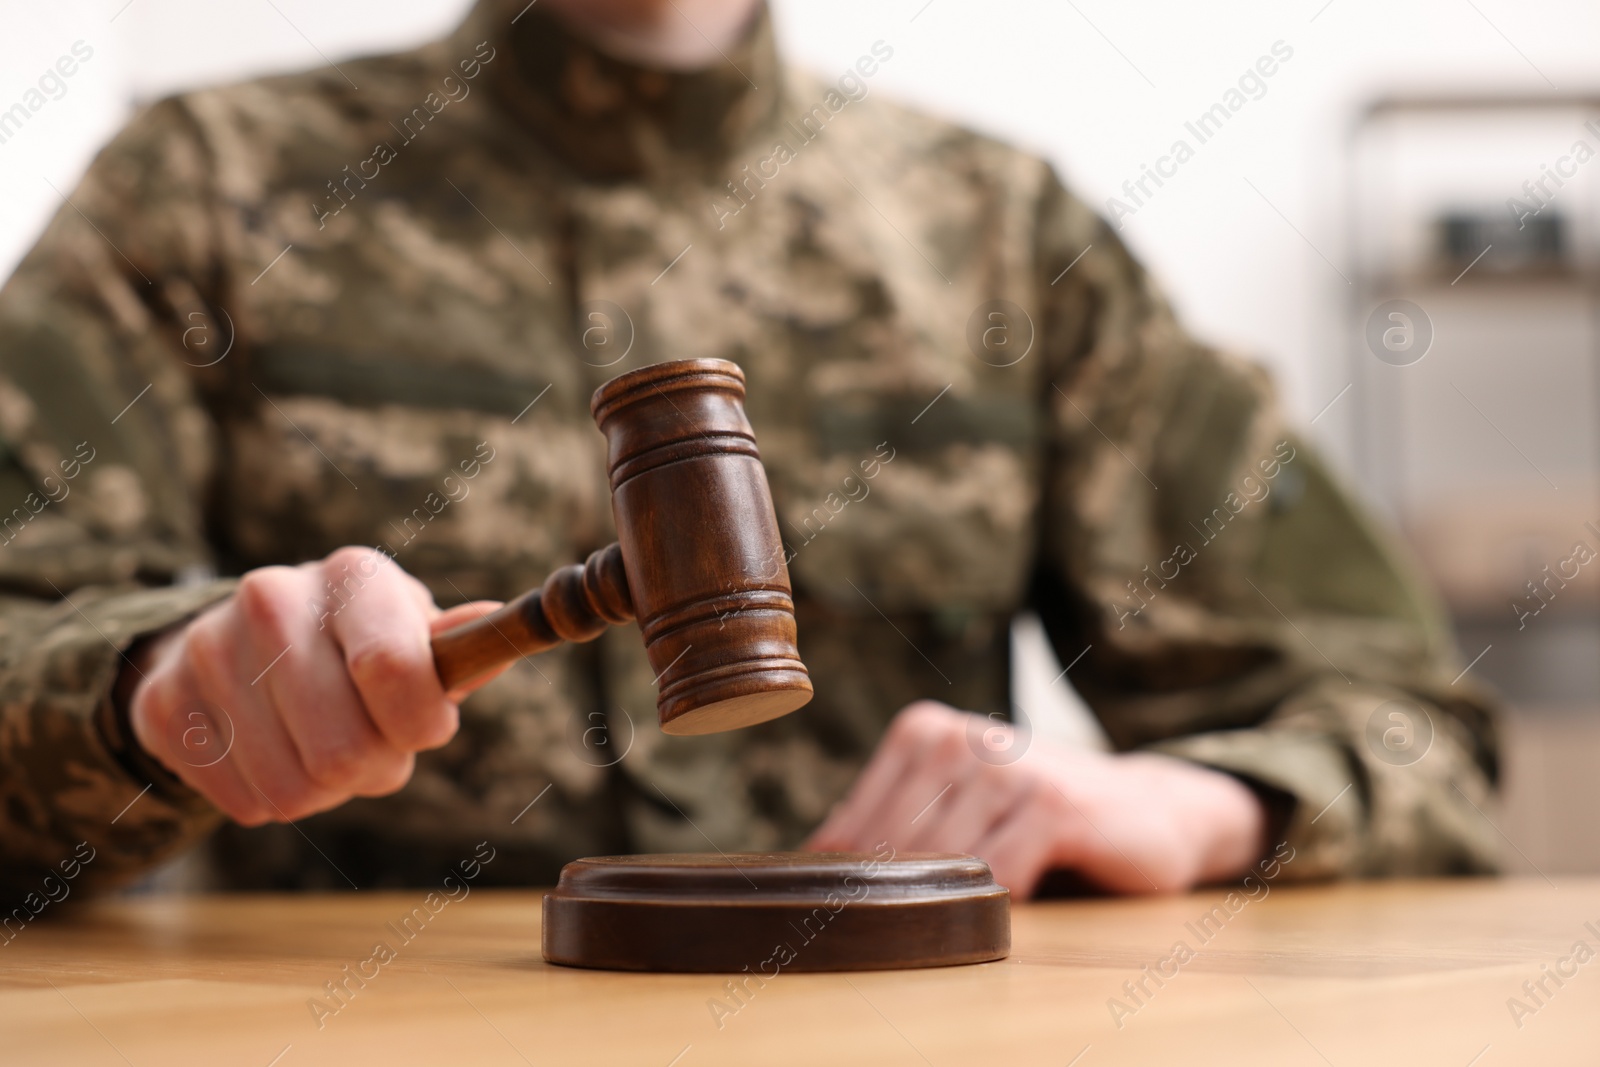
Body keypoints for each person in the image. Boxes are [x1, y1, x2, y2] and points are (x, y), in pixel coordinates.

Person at [0, 0, 1499, 904]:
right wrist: (145, 695)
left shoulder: (1004, 236)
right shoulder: (197, 191)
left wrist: (1193, 803)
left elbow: (1412, 725)